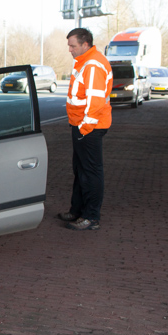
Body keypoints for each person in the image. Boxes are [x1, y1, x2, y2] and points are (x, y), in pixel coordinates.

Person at [58, 28, 113, 231]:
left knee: (90, 172)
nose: (70, 50)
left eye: (73, 46)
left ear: (85, 44)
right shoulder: (85, 62)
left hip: (89, 128)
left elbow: (95, 102)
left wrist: (84, 128)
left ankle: (91, 217)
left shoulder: (92, 65)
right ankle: (78, 210)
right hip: (82, 126)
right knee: (81, 170)